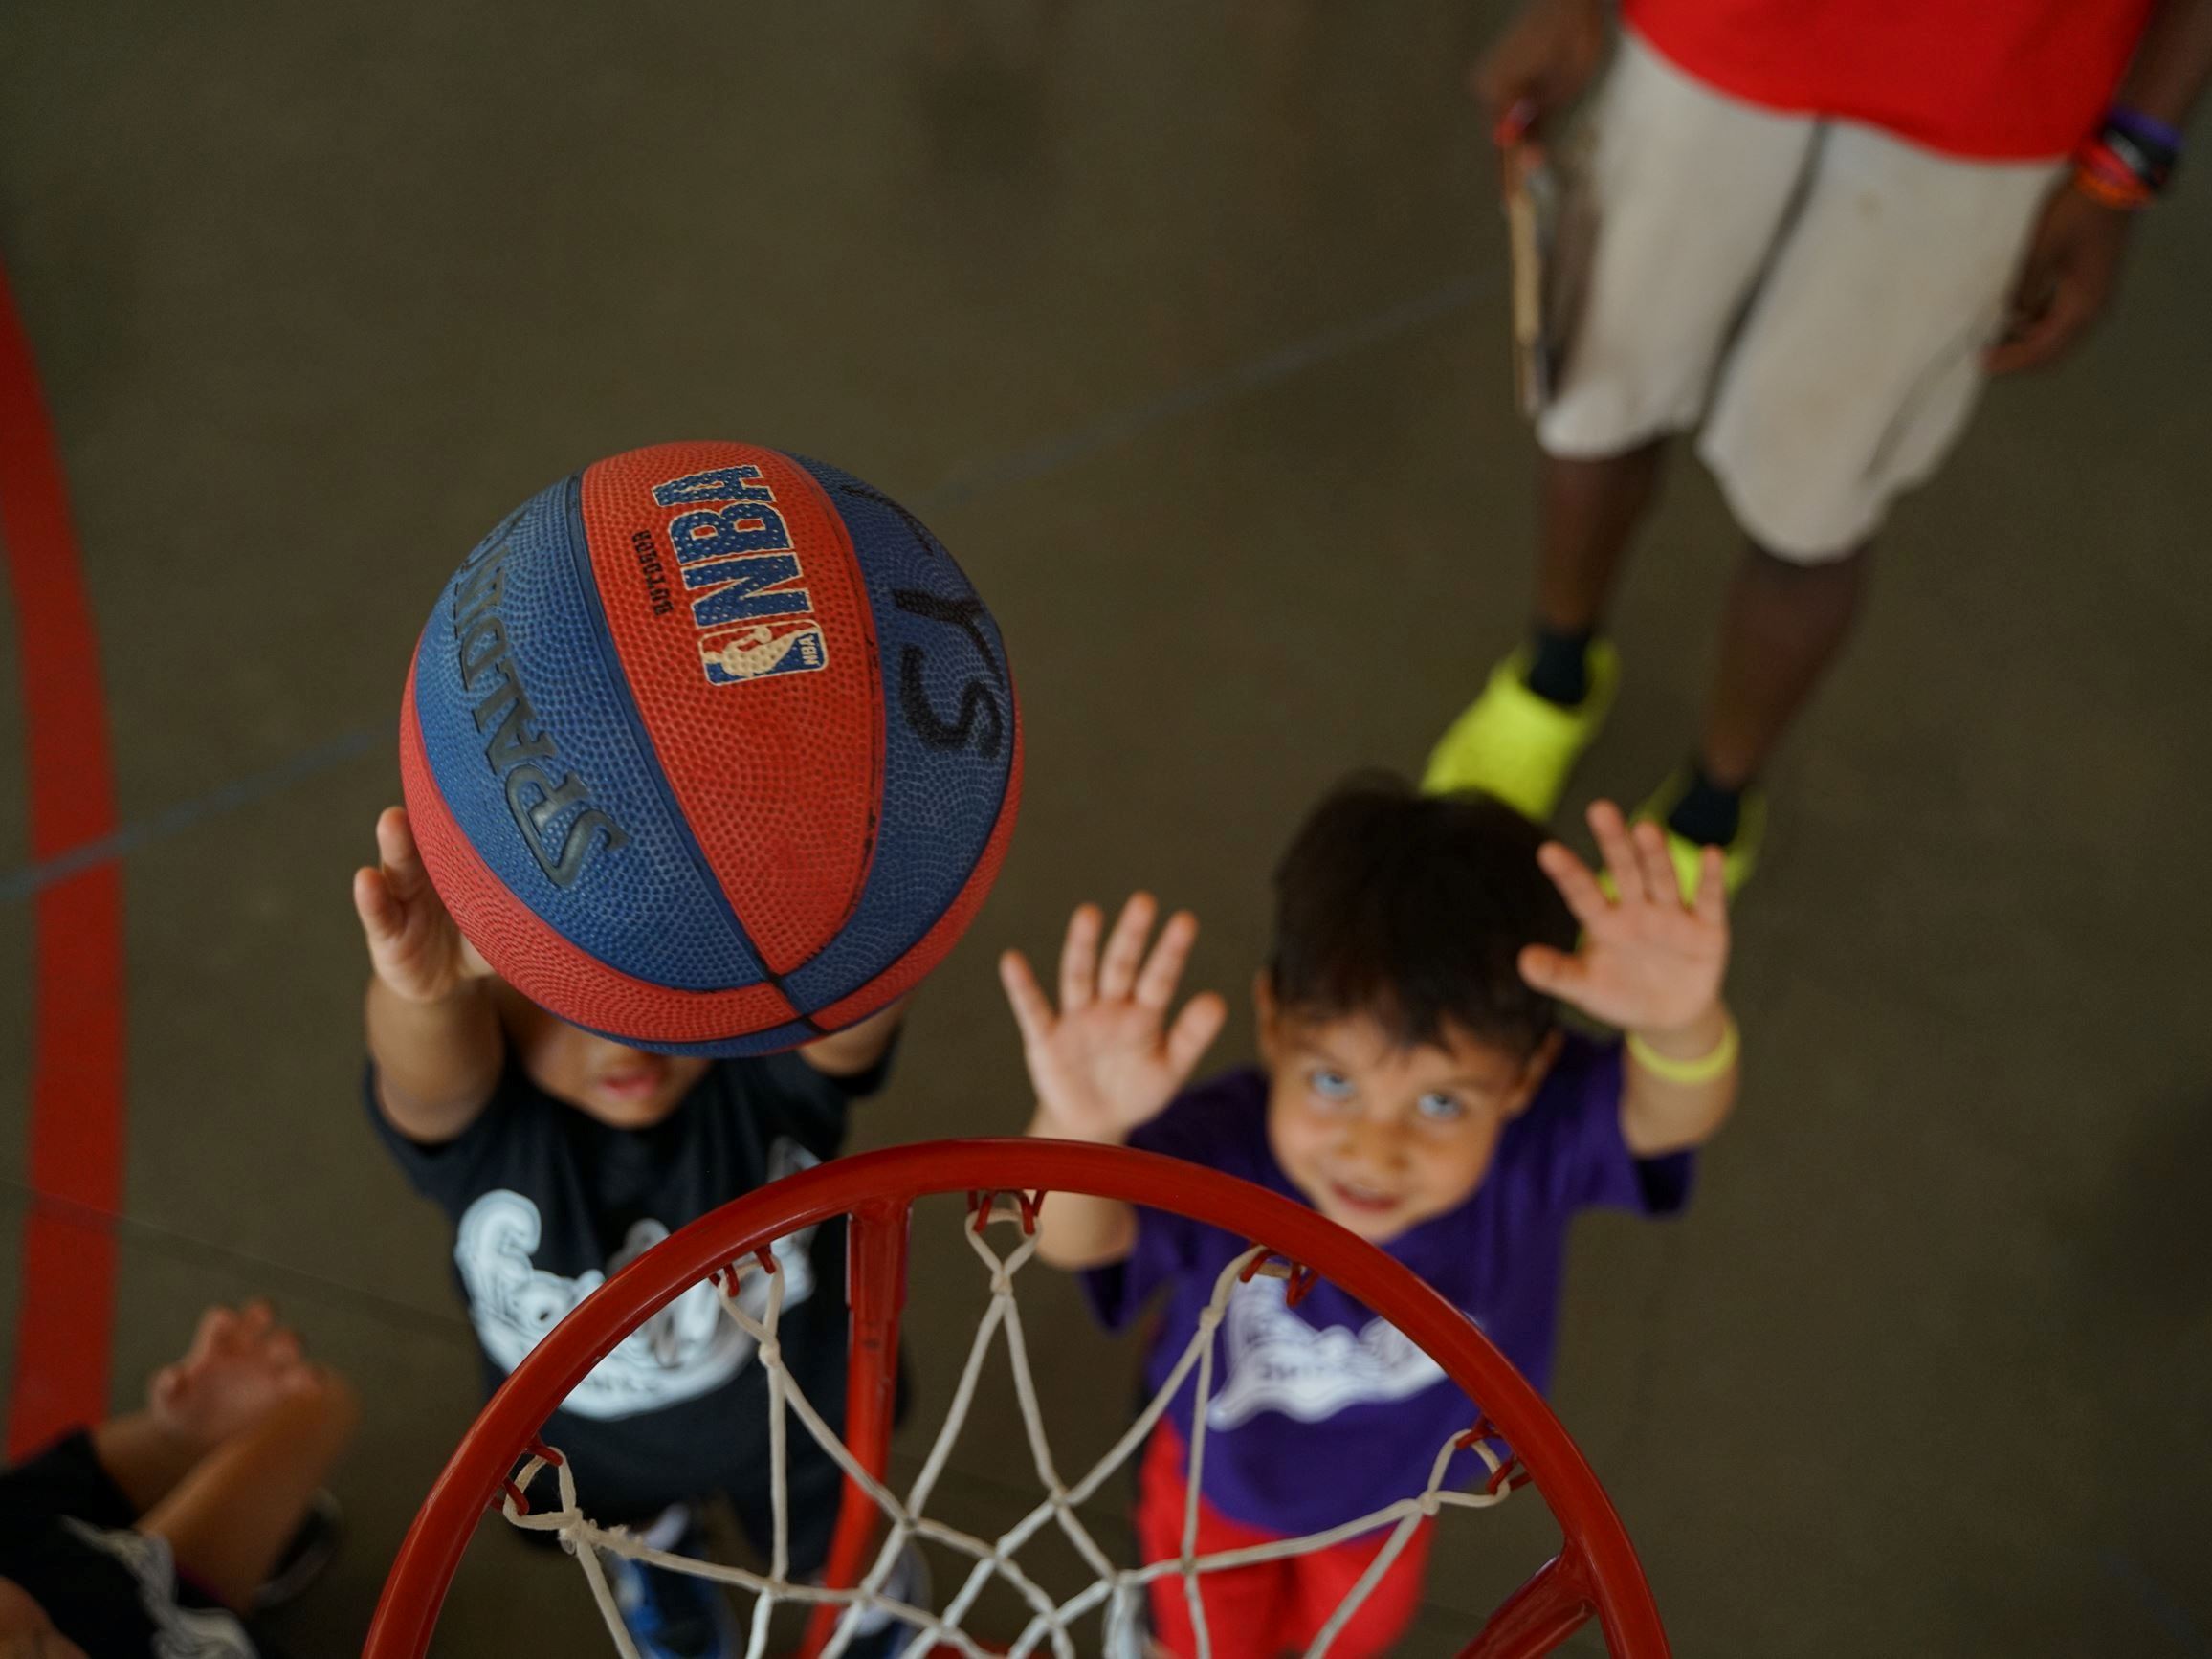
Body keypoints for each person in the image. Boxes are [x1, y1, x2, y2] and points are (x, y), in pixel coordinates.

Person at [1427, 0, 2212, 892]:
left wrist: (2128, 158)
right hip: (1713, 36)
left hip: (1992, 99)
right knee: (1598, 392)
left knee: (1816, 499)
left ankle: (1716, 802)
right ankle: (1553, 674)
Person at [999, 776, 1738, 1657]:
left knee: (1346, 1644)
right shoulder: (1222, 1148)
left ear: (1524, 1076)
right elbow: (1071, 1236)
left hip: (1392, 1507)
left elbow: (1668, 1115)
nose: (1374, 1150)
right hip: (1214, 1491)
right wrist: (1080, 1128)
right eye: (1334, 1082)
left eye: (1439, 1105)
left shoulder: (1534, 1144)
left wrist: (1684, 1027)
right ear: (1274, 1024)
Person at [354, 807, 915, 1659]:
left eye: (663, 986)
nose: (624, 1035)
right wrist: (422, 994)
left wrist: (884, 912)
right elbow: (428, 1082)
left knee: (838, 1536)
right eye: (573, 998)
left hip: (797, 1414)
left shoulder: (757, 1080)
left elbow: (848, 1026)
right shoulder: (493, 1131)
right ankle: (660, 1553)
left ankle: (866, 1605)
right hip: (595, 1449)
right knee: (625, 1520)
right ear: (486, 992)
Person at [0, 1301, 357, 1659]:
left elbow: (89, 1474)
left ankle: (230, 1591)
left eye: (39, 1643)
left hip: (139, 1593)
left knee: (311, 1402)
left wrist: (179, 1436)